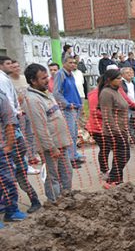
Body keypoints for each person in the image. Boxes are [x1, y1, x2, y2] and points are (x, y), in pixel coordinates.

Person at [23, 63, 73, 203]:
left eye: (47, 77)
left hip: (60, 144)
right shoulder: (33, 100)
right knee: (53, 178)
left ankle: (66, 200)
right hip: (51, 147)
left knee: (67, 173)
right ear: (33, 81)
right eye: (43, 78)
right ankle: (55, 205)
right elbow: (40, 128)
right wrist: (51, 148)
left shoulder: (46, 93)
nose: (47, 80)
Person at [0, 57, 41, 213]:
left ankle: (33, 201)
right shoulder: (5, 79)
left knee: (17, 173)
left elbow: (10, 109)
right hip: (11, 134)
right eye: (8, 64)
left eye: (12, 63)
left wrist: (9, 144)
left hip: (12, 137)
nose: (12, 66)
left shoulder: (3, 82)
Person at [98, 69, 131, 187]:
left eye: (120, 78)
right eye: (117, 78)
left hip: (122, 130)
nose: (120, 80)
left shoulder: (116, 91)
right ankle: (112, 179)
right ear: (109, 80)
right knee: (122, 156)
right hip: (114, 132)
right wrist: (116, 132)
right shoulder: (106, 93)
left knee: (122, 156)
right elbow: (107, 115)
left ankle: (117, 179)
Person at [0, 89, 27, 228]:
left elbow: (9, 123)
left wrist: (8, 146)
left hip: (1, 148)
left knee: (8, 180)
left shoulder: (1, 97)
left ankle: (11, 211)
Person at [52, 55, 86, 168]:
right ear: (64, 63)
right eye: (70, 62)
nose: (73, 65)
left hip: (75, 107)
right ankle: (69, 160)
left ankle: (74, 155)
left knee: (75, 133)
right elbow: (56, 93)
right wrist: (66, 104)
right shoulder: (60, 74)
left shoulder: (71, 75)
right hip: (67, 109)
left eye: (74, 63)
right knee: (69, 134)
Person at [86, 86, 111, 179]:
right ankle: (104, 171)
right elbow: (95, 111)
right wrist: (111, 113)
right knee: (105, 148)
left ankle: (105, 170)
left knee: (106, 148)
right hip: (97, 127)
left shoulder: (107, 92)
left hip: (104, 127)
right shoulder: (95, 94)